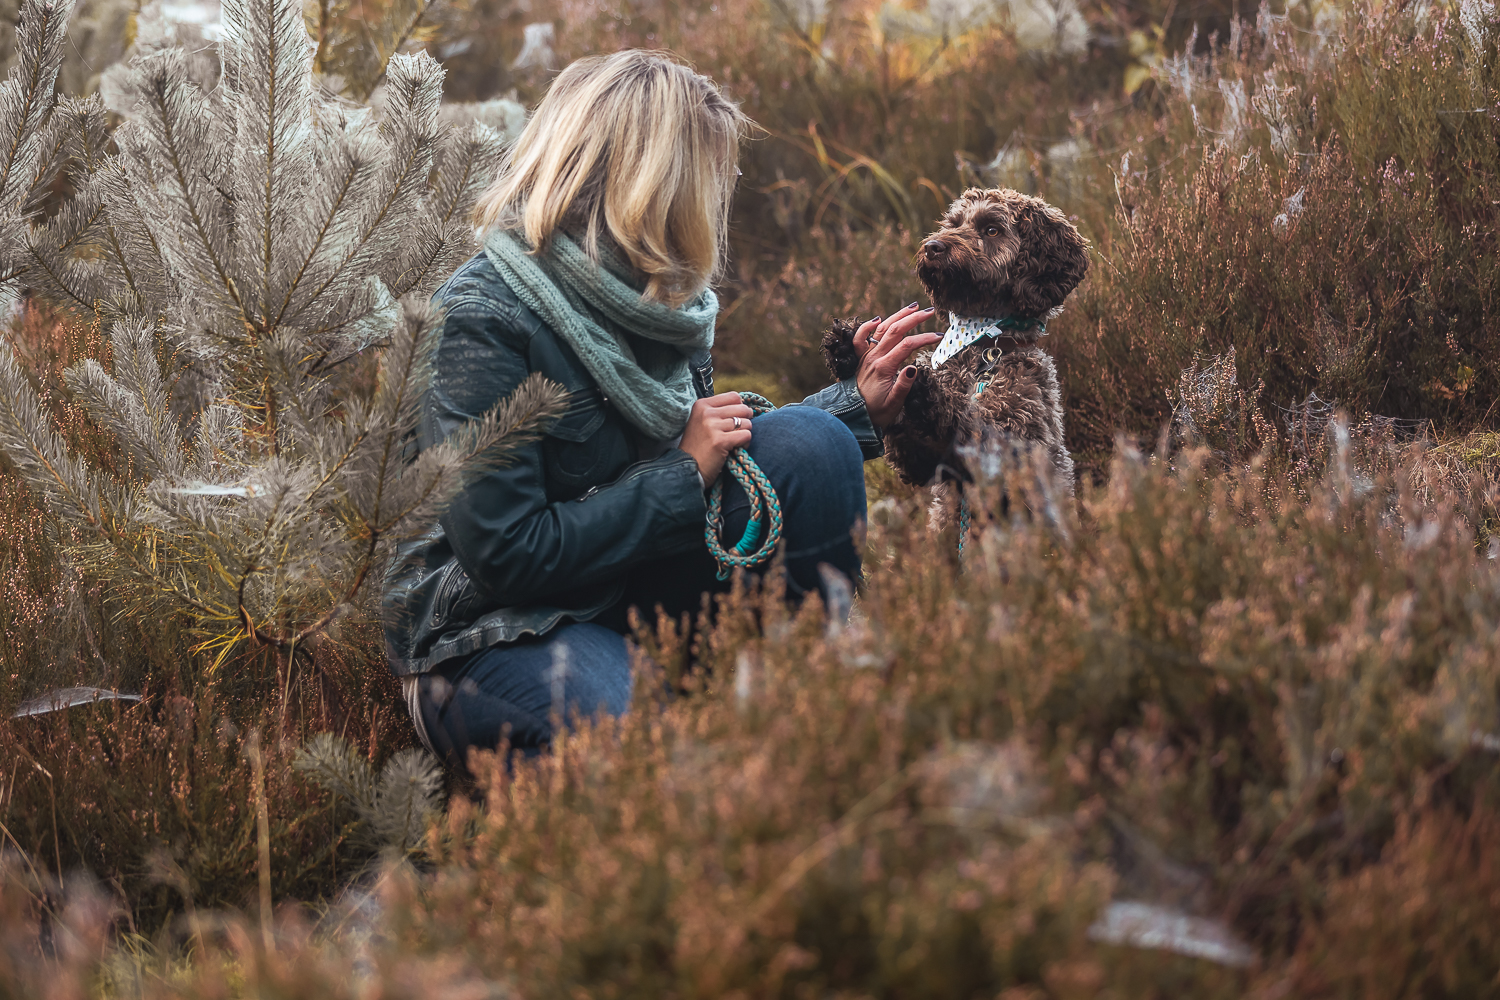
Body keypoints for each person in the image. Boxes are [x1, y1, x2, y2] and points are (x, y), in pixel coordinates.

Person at [383, 50, 937, 765]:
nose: (722, 188)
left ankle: (822, 728)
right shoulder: (479, 319)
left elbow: (711, 448)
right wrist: (682, 475)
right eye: (709, 170)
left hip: (623, 582)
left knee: (812, 447)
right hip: (496, 632)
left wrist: (853, 408)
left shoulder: (650, 297)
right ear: (647, 180)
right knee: (647, 748)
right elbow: (507, 557)